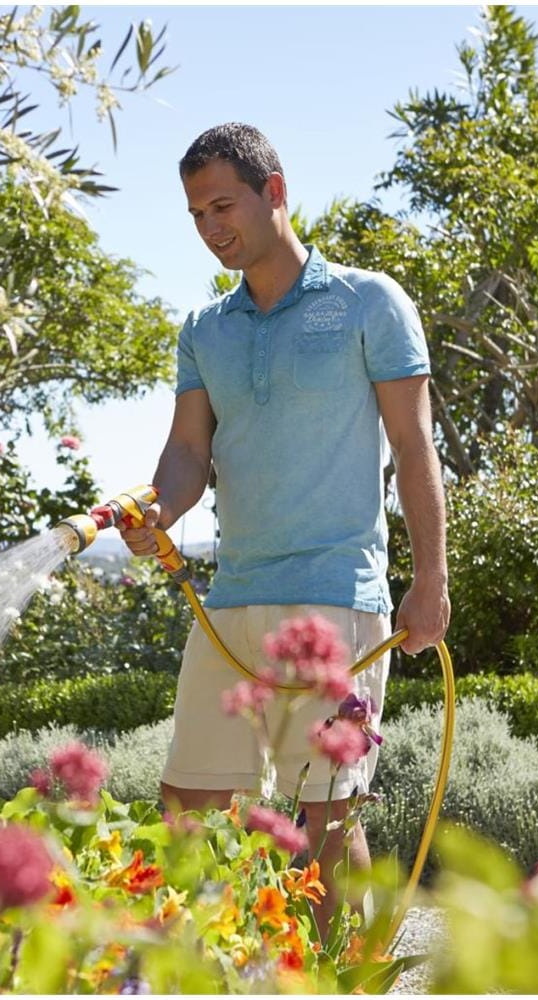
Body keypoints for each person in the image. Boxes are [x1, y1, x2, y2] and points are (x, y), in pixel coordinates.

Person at [119, 123, 450, 937]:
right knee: (189, 808)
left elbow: (413, 448)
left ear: (275, 192)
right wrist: (158, 509)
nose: (210, 227)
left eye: (222, 205)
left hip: (337, 597)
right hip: (234, 598)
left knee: (326, 819)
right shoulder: (206, 329)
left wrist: (431, 579)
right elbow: (190, 451)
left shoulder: (369, 303)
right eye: (196, 214)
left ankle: (350, 982)